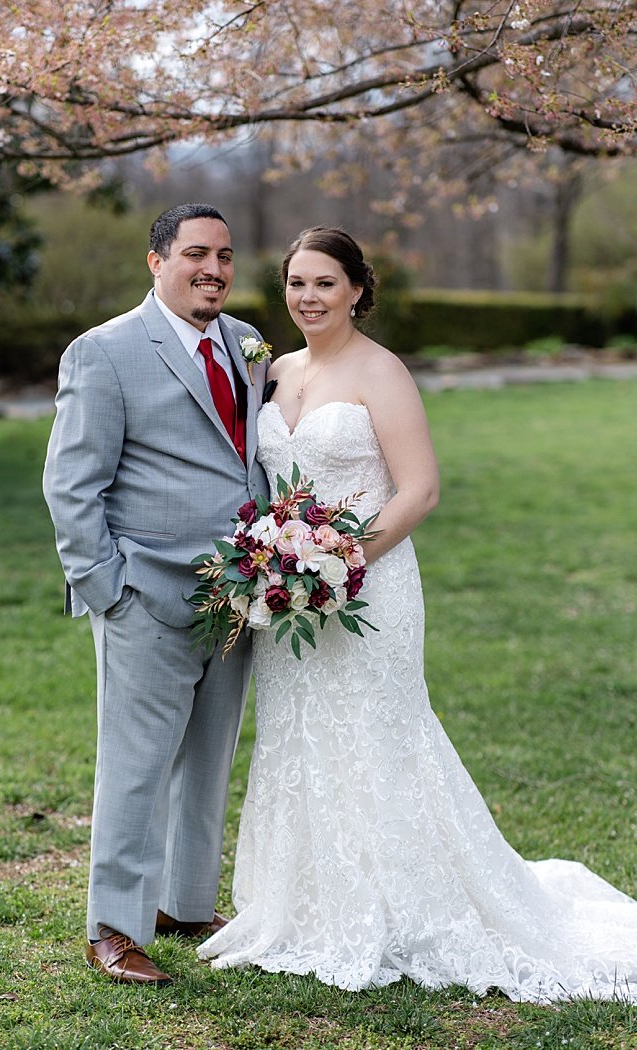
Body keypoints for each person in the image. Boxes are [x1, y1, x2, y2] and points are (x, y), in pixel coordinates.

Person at [199, 226, 637, 1001]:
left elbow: (420, 489)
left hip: (370, 588)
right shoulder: (274, 370)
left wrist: (337, 565)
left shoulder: (381, 371)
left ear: (359, 290)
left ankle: (403, 906)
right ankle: (307, 905)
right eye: (297, 283)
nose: (308, 297)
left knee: (377, 734)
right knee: (300, 737)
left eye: (325, 284)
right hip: (289, 601)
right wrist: (283, 569)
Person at [43, 203, 271, 984]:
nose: (213, 268)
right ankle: (113, 926)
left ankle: (185, 902)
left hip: (241, 597)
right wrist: (108, 589)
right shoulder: (104, 352)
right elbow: (71, 485)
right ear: (157, 260)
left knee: (208, 760)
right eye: (196, 253)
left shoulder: (248, 346)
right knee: (137, 767)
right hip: (146, 592)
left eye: (226, 255)